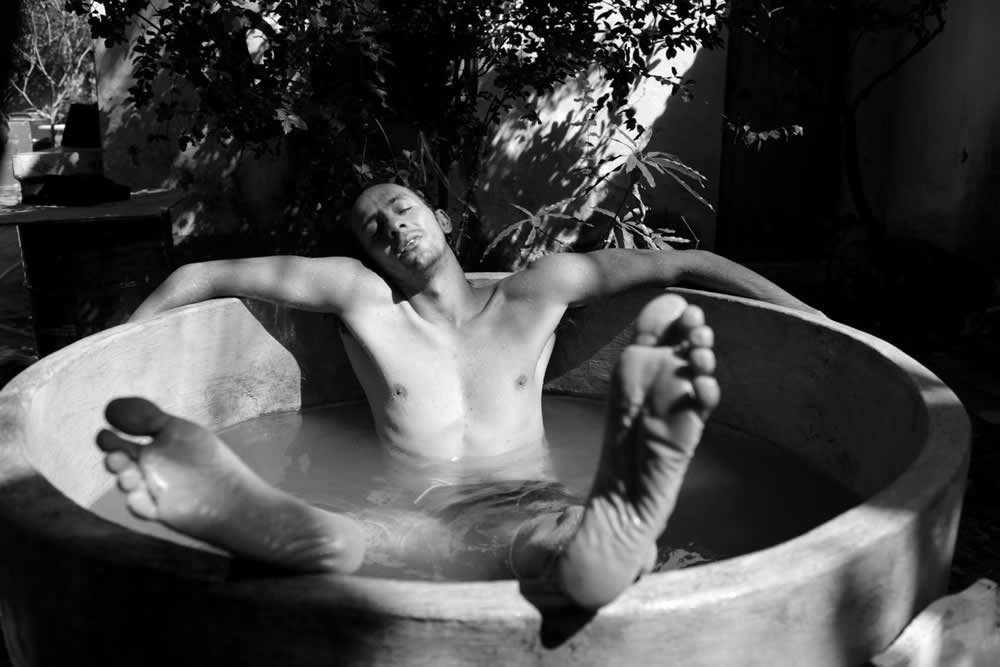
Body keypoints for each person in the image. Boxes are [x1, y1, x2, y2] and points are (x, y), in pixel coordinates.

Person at [97, 183, 817, 610]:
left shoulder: (537, 291)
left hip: (523, 497)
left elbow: (687, 261)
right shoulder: (362, 298)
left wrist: (812, 316)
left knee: (545, 537)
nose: (393, 227)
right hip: (418, 507)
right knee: (375, 537)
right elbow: (198, 276)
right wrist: (106, 357)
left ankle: (590, 542)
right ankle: (275, 522)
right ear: (367, 252)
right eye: (375, 227)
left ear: (439, 218)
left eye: (402, 209)